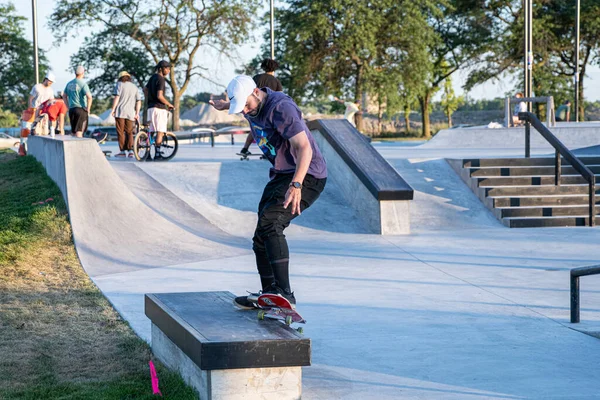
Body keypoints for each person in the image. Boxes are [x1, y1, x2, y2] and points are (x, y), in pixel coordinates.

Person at [209, 75, 327, 309]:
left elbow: (304, 147)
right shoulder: (250, 104)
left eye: (245, 105)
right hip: (282, 173)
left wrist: (296, 185)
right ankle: (270, 295)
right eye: (239, 107)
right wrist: (226, 106)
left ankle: (284, 294)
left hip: (307, 174)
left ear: (255, 92)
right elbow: (241, 105)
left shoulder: (281, 108)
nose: (244, 111)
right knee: (260, 236)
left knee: (272, 224)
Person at [240, 59, 284, 156]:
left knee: (255, 129)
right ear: (274, 68)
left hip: (254, 107)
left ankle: (245, 148)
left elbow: (249, 91)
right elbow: (280, 97)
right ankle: (267, 151)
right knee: (269, 130)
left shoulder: (256, 78)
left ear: (263, 67)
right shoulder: (276, 81)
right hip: (269, 108)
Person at [144, 60, 174, 160]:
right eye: (167, 68)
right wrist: (169, 104)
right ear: (162, 68)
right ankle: (157, 154)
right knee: (160, 131)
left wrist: (149, 99)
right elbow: (160, 96)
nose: (169, 71)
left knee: (151, 131)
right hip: (159, 108)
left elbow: (145, 89)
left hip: (150, 107)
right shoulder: (161, 79)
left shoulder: (152, 77)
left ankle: (147, 154)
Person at [111, 71, 142, 158]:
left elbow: (117, 97)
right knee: (129, 132)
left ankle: (123, 151)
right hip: (131, 113)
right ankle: (131, 151)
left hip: (120, 112)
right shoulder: (134, 87)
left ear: (120, 77)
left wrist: (113, 109)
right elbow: (139, 101)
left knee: (120, 132)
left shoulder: (119, 84)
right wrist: (137, 113)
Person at [63, 66, 93, 137]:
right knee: (79, 131)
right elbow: (89, 97)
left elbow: (64, 96)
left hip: (72, 109)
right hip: (80, 109)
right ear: (83, 73)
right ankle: (79, 147)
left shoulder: (69, 83)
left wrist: (68, 107)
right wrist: (88, 108)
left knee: (73, 131)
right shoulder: (83, 84)